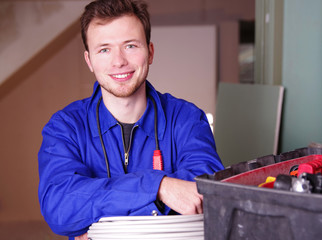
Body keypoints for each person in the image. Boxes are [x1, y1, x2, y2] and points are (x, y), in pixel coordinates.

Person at [38, 0, 224, 239]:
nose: (118, 61)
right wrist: (160, 187)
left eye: (130, 46)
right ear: (89, 61)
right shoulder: (64, 127)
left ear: (150, 51)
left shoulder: (187, 119)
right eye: (104, 49)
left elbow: (205, 196)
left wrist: (102, 228)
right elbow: (60, 207)